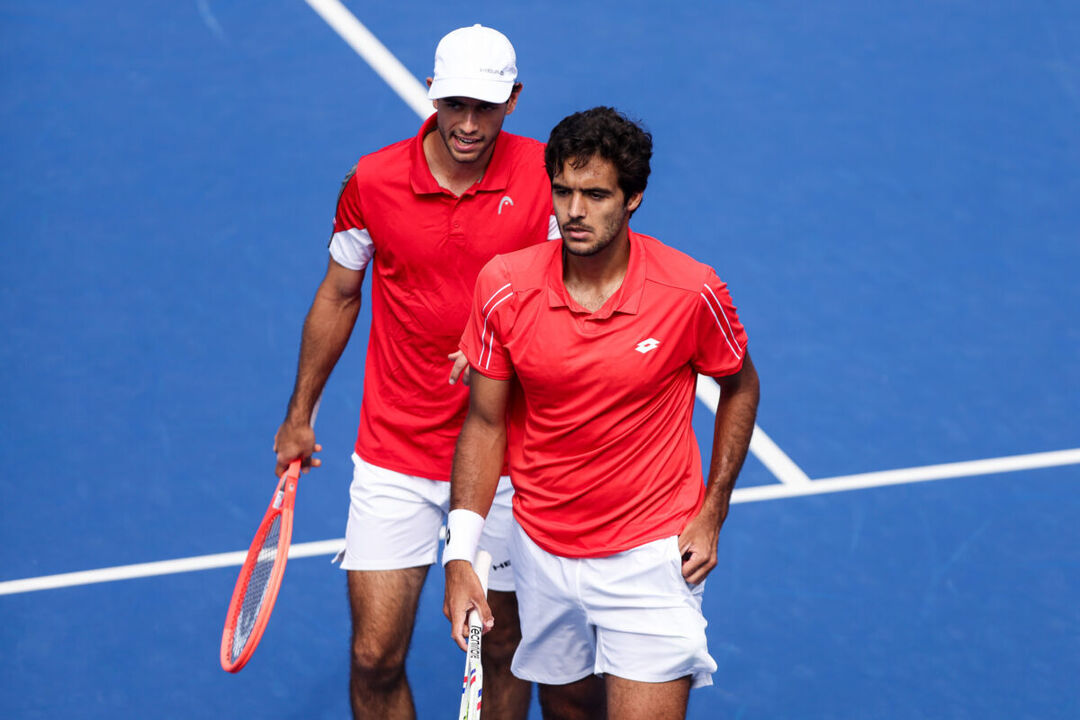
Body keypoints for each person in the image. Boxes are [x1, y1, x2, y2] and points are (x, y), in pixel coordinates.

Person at [273, 24, 557, 720]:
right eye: (454, 103)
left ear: (513, 101)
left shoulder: (550, 177)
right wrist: (300, 413)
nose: (466, 124)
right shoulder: (372, 182)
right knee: (374, 658)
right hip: (396, 451)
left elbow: (575, 296)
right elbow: (340, 293)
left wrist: (504, 345)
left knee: (505, 648)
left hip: (507, 458)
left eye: (485, 108)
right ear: (430, 91)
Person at [443, 107, 760, 720]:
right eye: (563, 191)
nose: (574, 211)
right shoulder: (504, 286)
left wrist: (713, 509)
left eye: (595, 194)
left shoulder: (691, 292)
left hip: (649, 555)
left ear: (634, 197)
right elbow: (484, 423)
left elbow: (739, 387)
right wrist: (460, 553)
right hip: (542, 549)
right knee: (569, 710)